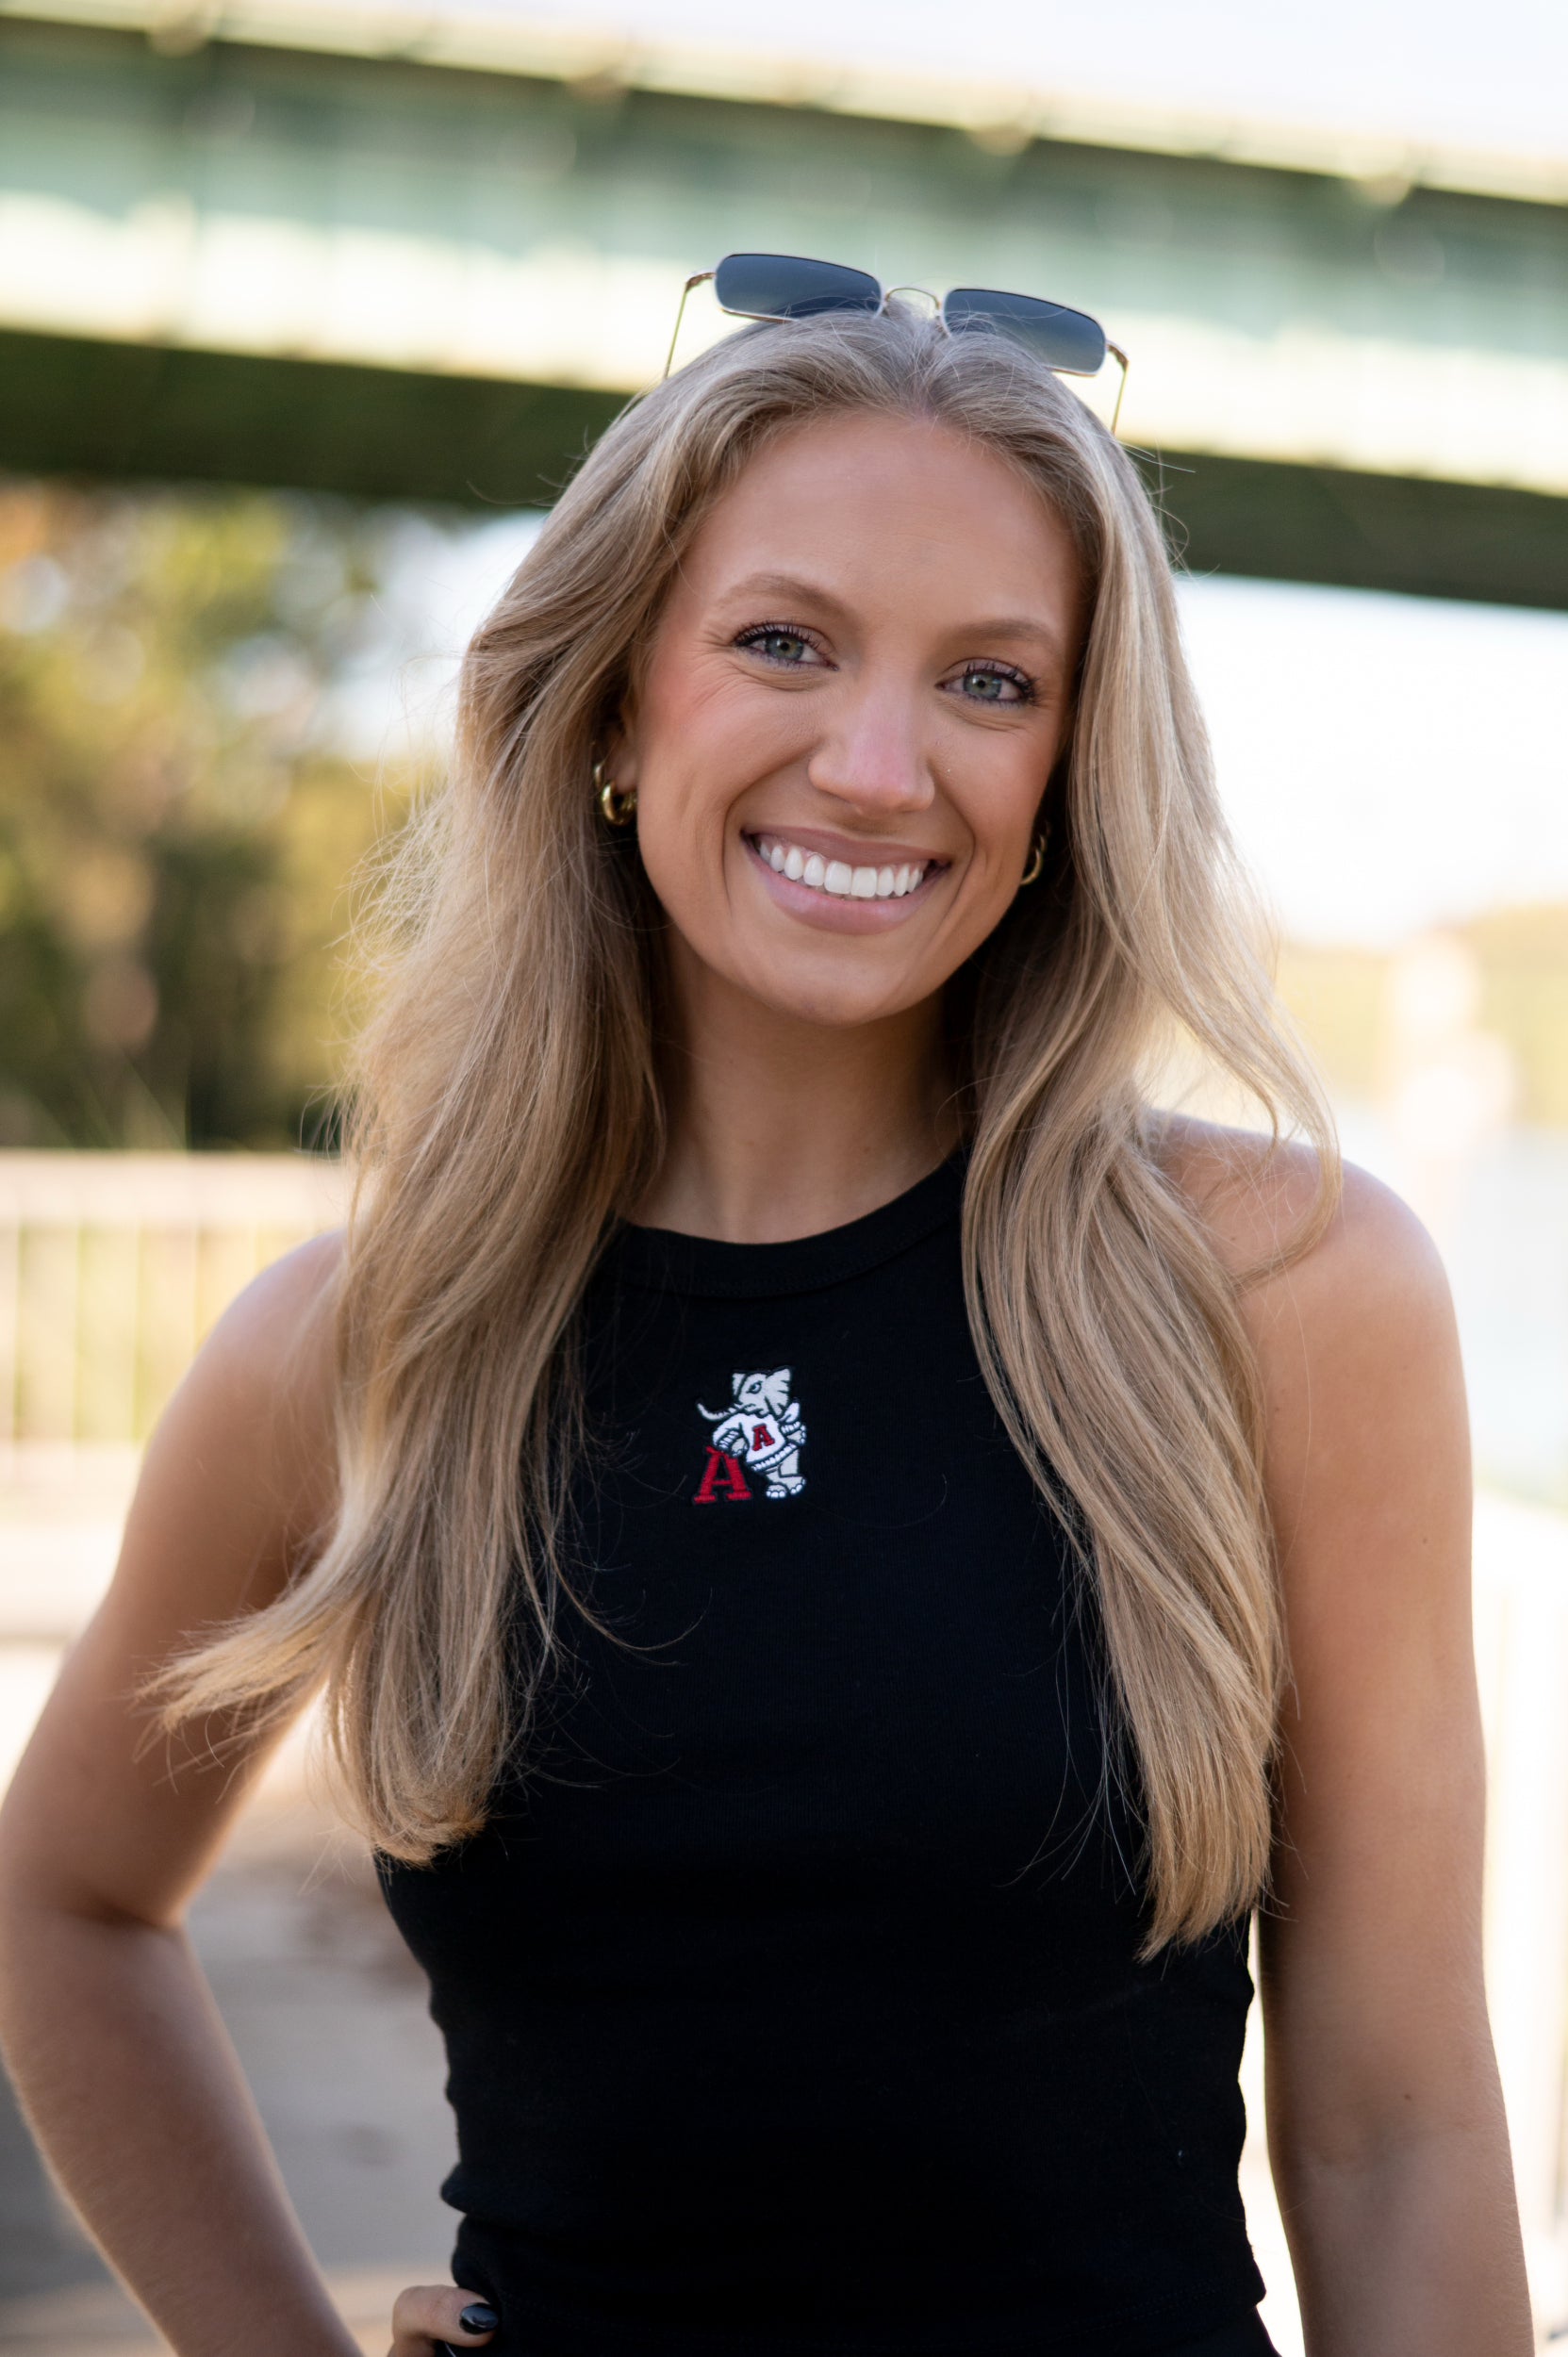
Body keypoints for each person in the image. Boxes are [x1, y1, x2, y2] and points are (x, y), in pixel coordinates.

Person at [0, 288, 1532, 2357]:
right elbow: (66, 1899)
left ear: (1073, 766)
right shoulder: (368, 1345)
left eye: (990, 679)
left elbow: (1396, 2119)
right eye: (783, 640)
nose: (879, 763)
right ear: (619, 696)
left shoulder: (1281, 1289)